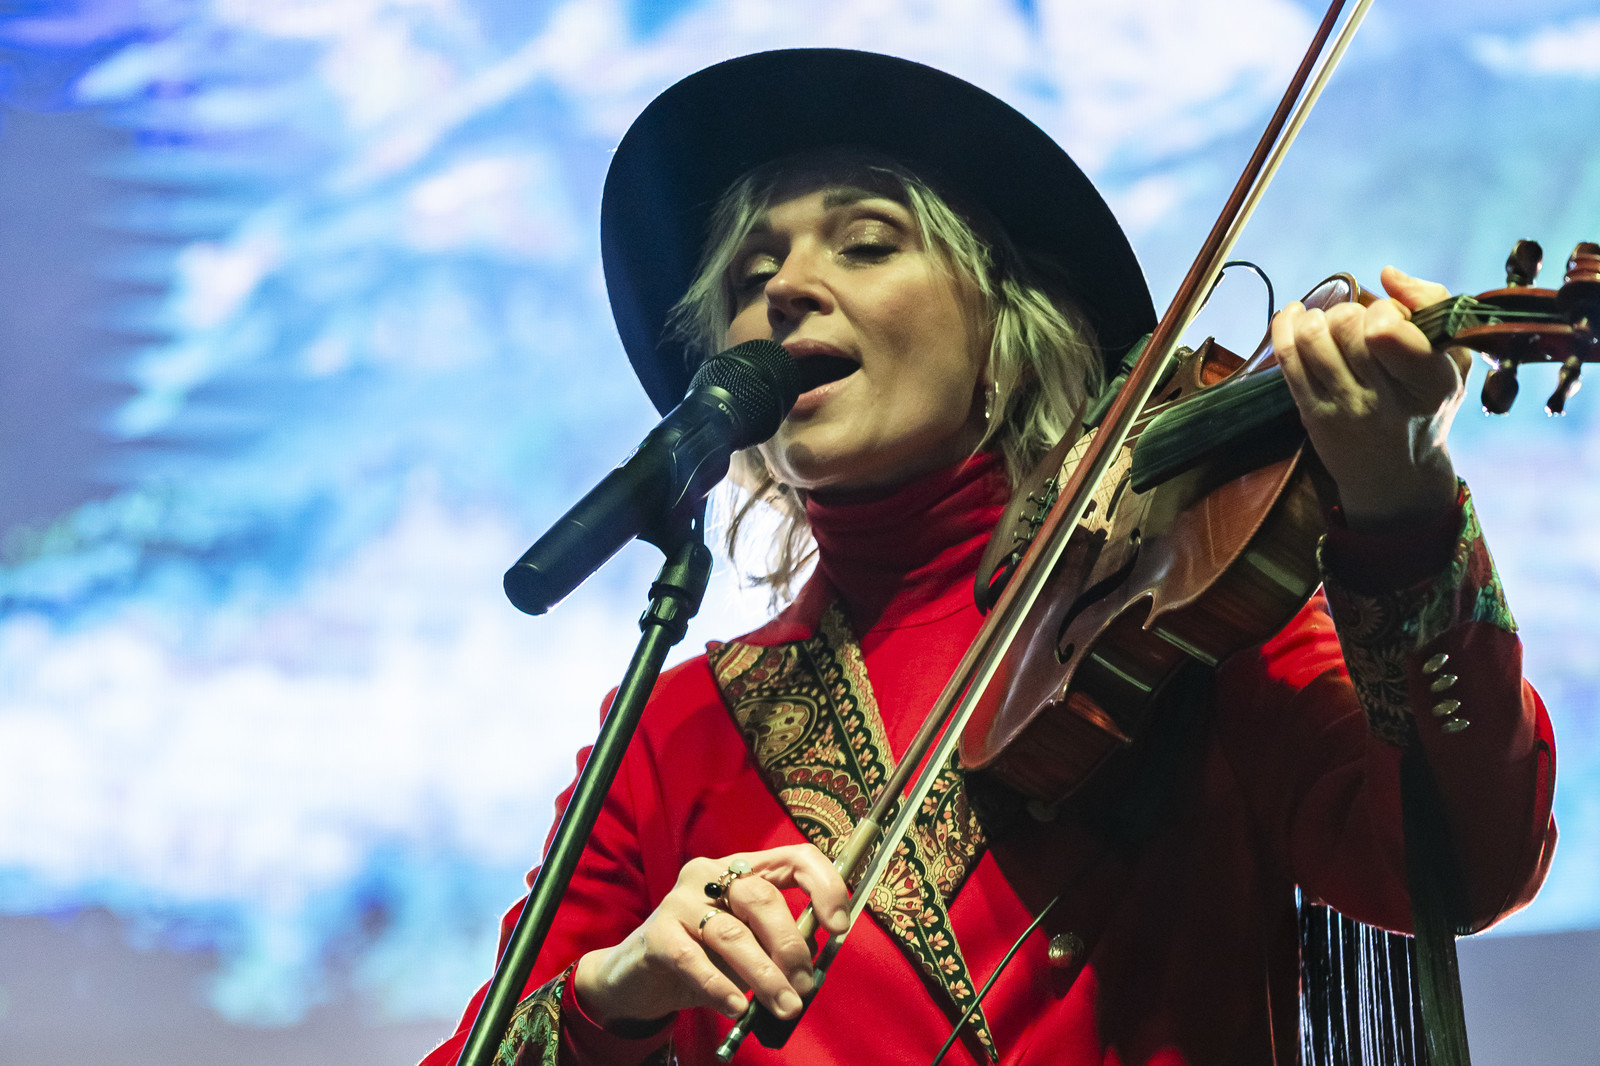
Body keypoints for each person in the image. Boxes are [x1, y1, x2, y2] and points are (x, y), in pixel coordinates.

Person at [419, 49, 1556, 1066]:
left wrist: (1403, 510)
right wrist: (615, 995)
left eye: (867, 244)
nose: (786, 289)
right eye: (750, 277)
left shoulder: (1176, 594)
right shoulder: (678, 734)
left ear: (1008, 321)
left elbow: (1462, 862)